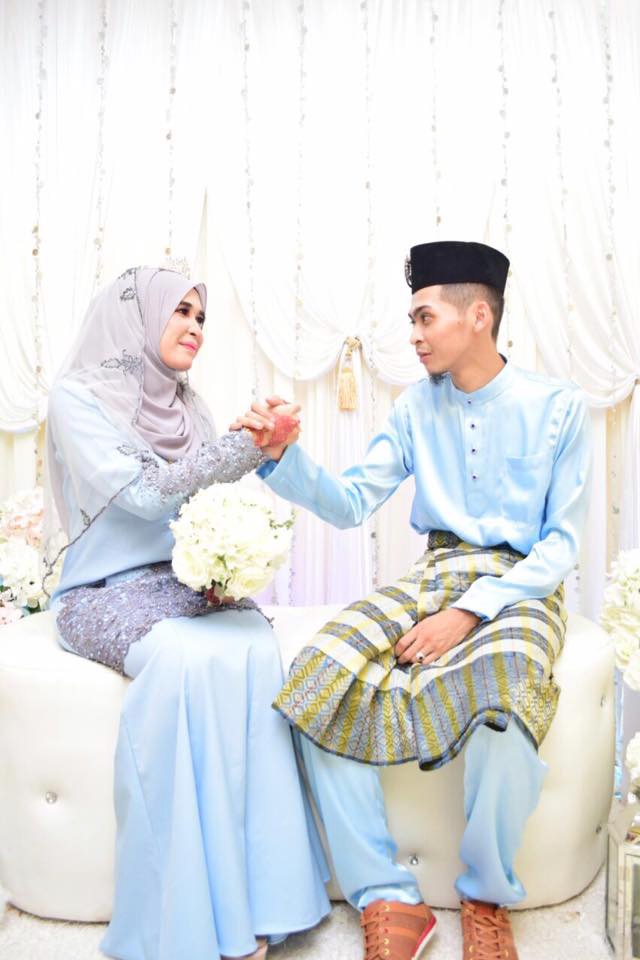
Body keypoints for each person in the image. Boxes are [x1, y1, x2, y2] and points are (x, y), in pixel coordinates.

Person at [234, 241, 591, 960]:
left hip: (519, 583)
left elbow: (559, 546)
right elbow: (349, 503)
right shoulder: (412, 410)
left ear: (478, 315)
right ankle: (387, 896)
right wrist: (281, 456)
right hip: (434, 573)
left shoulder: (558, 407)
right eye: (412, 320)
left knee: (507, 696)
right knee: (316, 675)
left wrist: (470, 612)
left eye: (425, 318)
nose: (415, 336)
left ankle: (485, 895)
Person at [45, 266, 330, 960]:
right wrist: (244, 446)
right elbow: (147, 495)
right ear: (136, 316)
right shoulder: (77, 398)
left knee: (253, 642)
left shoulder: (190, 407)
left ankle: (259, 900)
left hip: (180, 581)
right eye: (180, 311)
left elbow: (200, 498)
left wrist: (250, 448)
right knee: (180, 660)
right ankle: (182, 920)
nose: (195, 328)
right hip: (101, 590)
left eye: (201, 317)